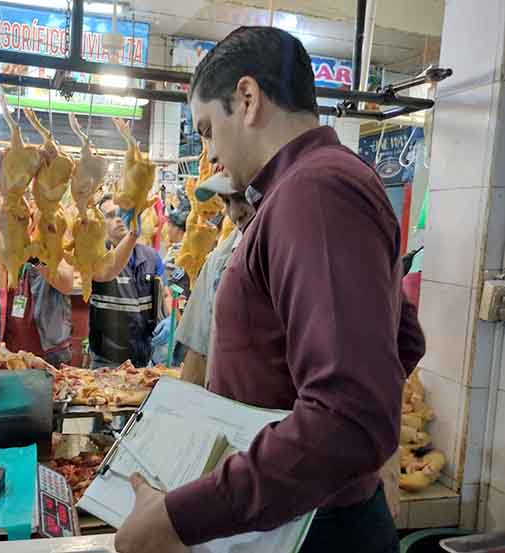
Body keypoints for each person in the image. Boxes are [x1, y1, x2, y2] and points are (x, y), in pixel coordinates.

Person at [114, 26, 426, 553]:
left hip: (313, 529)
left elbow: (350, 415)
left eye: (209, 129)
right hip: (295, 514)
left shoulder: (315, 192)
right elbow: (403, 342)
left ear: (248, 98)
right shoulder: (303, 191)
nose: (210, 155)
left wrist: (180, 517)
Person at [0, 203, 75, 366]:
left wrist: (36, 256)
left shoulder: (51, 238)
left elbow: (66, 284)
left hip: (49, 352)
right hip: (4, 352)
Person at [176, 173, 255, 386]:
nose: (235, 212)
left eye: (244, 198)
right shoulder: (219, 260)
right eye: (227, 201)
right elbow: (198, 352)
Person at [89, 194, 165, 368]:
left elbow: (165, 294)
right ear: (101, 224)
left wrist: (170, 320)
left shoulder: (151, 257)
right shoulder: (96, 257)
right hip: (106, 362)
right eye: (110, 216)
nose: (118, 219)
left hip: (143, 360)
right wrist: (132, 235)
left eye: (122, 213)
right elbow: (111, 265)